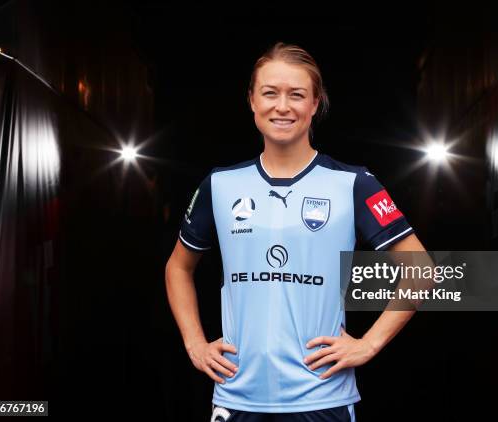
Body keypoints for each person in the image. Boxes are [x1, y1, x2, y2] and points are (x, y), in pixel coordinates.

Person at [165, 42, 427, 422]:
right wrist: (194, 344)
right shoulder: (220, 185)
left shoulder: (353, 183)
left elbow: (421, 270)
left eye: (297, 95)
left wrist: (369, 344)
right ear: (252, 100)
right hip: (237, 397)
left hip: (322, 398)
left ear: (315, 103)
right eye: (270, 93)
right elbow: (178, 268)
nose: (282, 106)